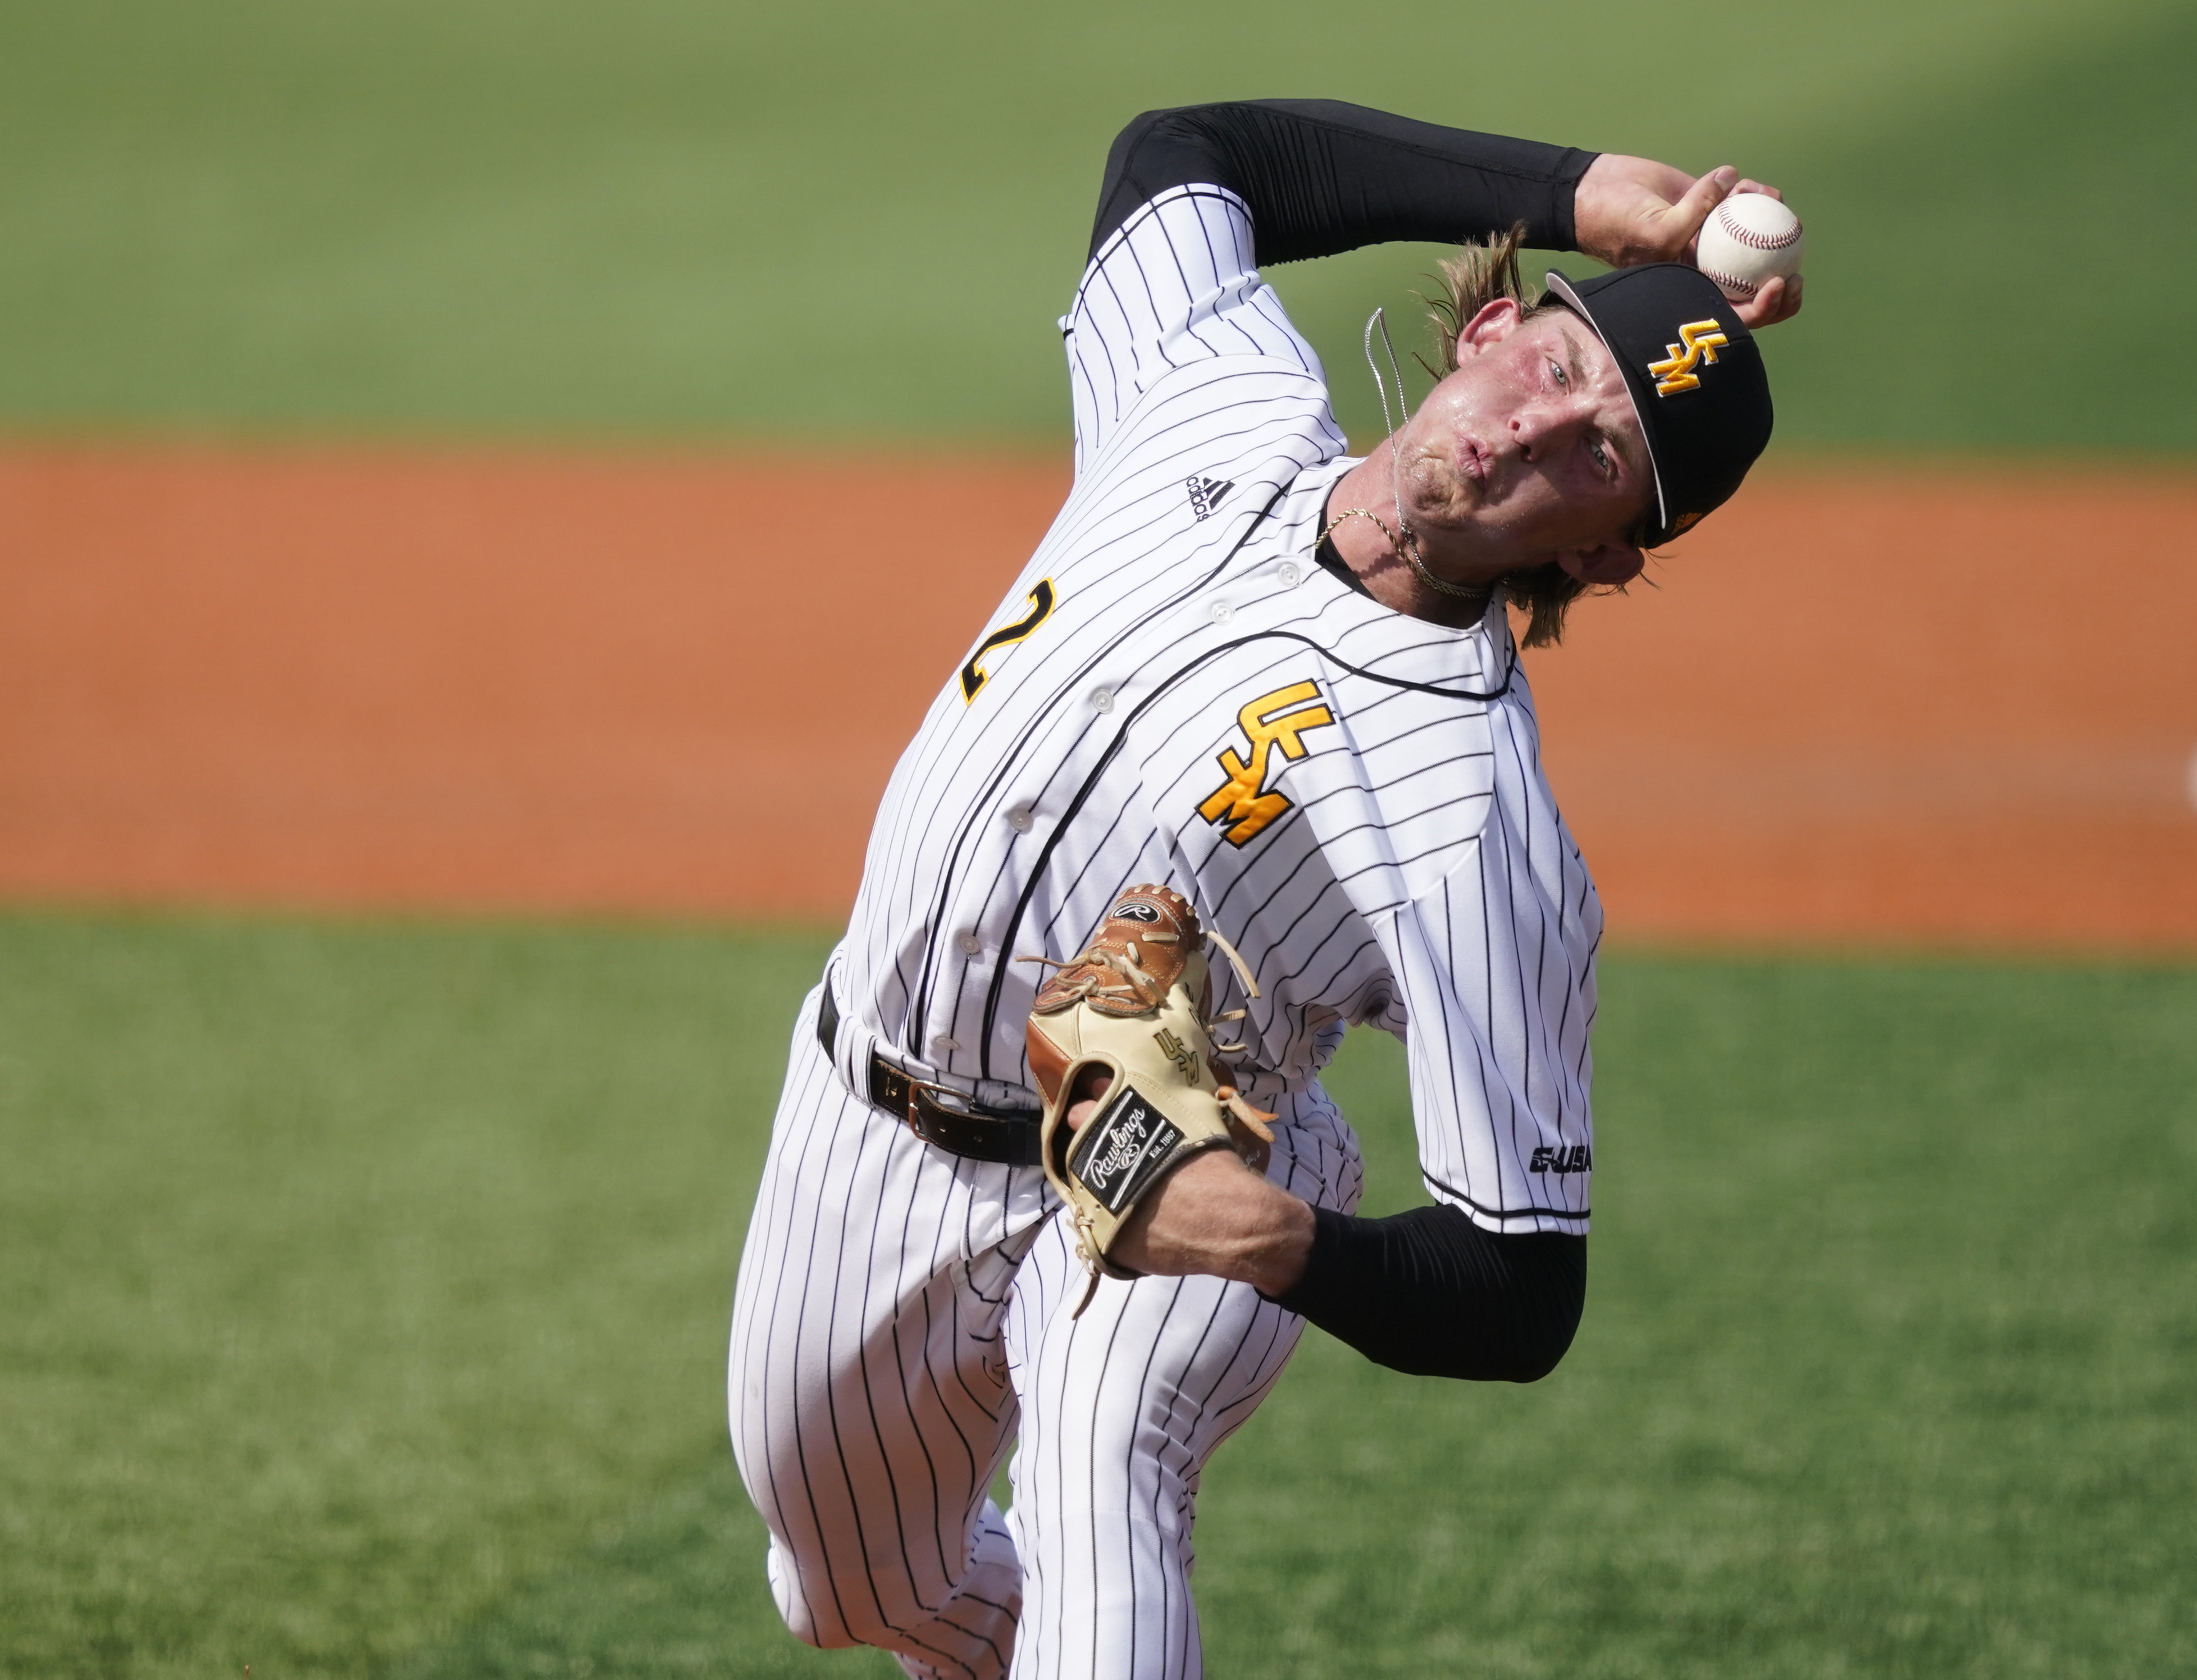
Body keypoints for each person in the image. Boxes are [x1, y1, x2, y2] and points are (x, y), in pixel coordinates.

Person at [727, 98, 1795, 1680]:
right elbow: (1191, 158)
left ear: (1601, 556)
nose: (1532, 432)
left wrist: (1263, 1235)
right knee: (853, 1599)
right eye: (1561, 371)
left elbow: (1522, 1289)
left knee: (1107, 1469)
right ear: (1494, 325)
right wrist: (1582, 194)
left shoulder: (1471, 820)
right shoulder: (1215, 405)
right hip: (868, 1121)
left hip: (1188, 1148)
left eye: (1601, 459)